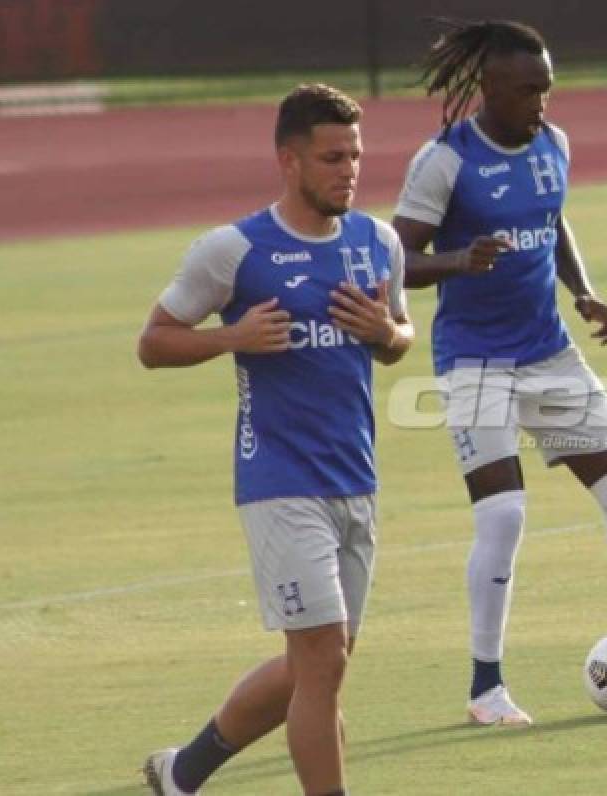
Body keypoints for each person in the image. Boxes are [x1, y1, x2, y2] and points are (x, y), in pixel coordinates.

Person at [391, 18, 607, 726]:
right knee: (505, 514)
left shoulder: (554, 145)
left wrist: (582, 289)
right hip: (475, 363)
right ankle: (486, 688)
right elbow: (394, 260)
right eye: (526, 91)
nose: (540, 104)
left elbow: (553, 219)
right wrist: (458, 261)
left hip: (548, 354)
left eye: (547, 89)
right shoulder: (444, 161)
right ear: (487, 88)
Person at [137, 83, 413, 796]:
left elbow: (399, 338)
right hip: (279, 483)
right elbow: (154, 341)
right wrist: (233, 337)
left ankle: (182, 771)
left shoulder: (376, 241)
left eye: (354, 155)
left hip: (357, 478)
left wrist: (385, 333)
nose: (348, 169)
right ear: (288, 161)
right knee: (323, 661)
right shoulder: (234, 249)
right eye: (331, 157)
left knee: (317, 665)